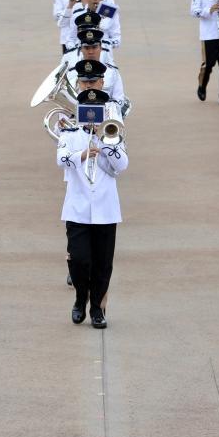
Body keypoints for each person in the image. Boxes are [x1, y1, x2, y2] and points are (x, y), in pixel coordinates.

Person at [58, 82, 127, 329]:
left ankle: (97, 308)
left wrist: (105, 143)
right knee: (79, 260)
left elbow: (123, 165)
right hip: (77, 209)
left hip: (106, 210)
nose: (92, 113)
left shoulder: (112, 135)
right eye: (88, 107)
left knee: (102, 264)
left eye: (96, 107)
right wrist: (83, 154)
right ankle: (80, 298)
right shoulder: (70, 133)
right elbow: (61, 159)